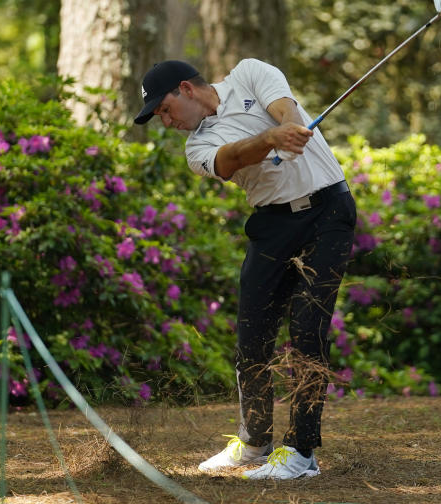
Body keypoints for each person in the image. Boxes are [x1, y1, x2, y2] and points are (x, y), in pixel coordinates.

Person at [134, 58, 356, 480]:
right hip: (272, 225)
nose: (166, 121)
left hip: (328, 210)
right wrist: (272, 138)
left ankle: (302, 452)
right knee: (252, 337)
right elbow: (232, 157)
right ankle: (254, 444)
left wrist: (288, 127)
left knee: (308, 331)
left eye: (164, 109)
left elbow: (284, 107)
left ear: (185, 88)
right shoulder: (195, 148)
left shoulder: (249, 73)